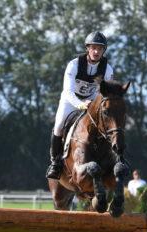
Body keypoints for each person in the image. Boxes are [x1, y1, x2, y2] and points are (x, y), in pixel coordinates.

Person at [46, 31, 114, 179]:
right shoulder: (74, 65)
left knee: (106, 125)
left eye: (100, 49)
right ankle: (55, 163)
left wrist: (95, 103)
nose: (96, 51)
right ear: (87, 48)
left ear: (104, 51)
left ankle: (112, 158)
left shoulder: (107, 69)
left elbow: (104, 93)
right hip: (71, 100)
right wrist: (81, 104)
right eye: (93, 48)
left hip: (92, 99)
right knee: (59, 125)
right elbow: (68, 91)